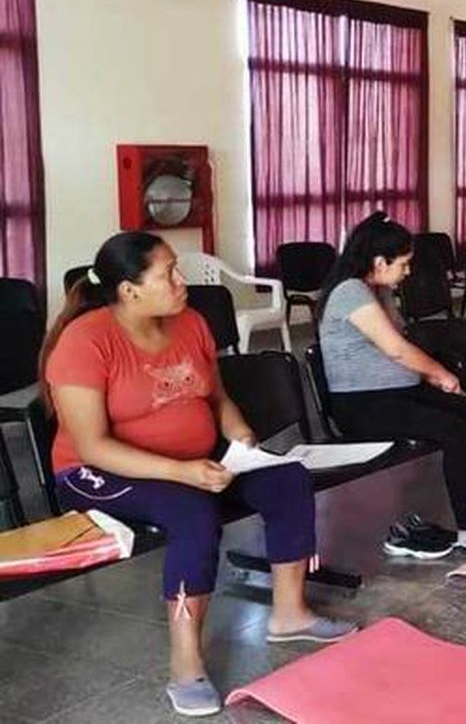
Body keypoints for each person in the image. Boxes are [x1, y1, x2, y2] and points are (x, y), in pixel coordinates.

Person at [41, 232, 354, 718]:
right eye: (168, 273)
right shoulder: (85, 342)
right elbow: (92, 445)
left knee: (287, 478)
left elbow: (216, 396)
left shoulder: (190, 322)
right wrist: (181, 471)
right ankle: (186, 665)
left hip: (194, 462)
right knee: (192, 512)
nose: (182, 280)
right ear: (130, 291)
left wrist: (239, 433)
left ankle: (289, 614)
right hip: (96, 472)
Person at [316, 212, 466, 559]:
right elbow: (397, 349)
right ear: (379, 261)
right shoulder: (350, 292)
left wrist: (437, 377)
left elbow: (403, 351)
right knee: (455, 429)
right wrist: (443, 376)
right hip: (362, 405)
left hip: (400, 393)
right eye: (402, 264)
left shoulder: (377, 291)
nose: (407, 272)